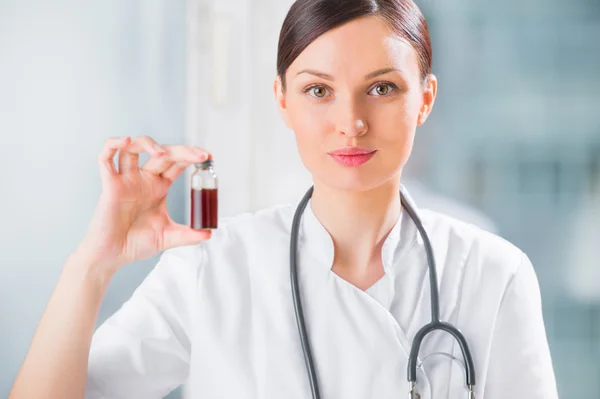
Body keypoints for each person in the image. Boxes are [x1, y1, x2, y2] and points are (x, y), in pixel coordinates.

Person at [10, 0, 558, 398]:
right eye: (318, 90)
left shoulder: (493, 274)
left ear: (425, 99)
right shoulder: (212, 267)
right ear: (282, 100)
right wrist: (92, 264)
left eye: (382, 88)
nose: (351, 123)